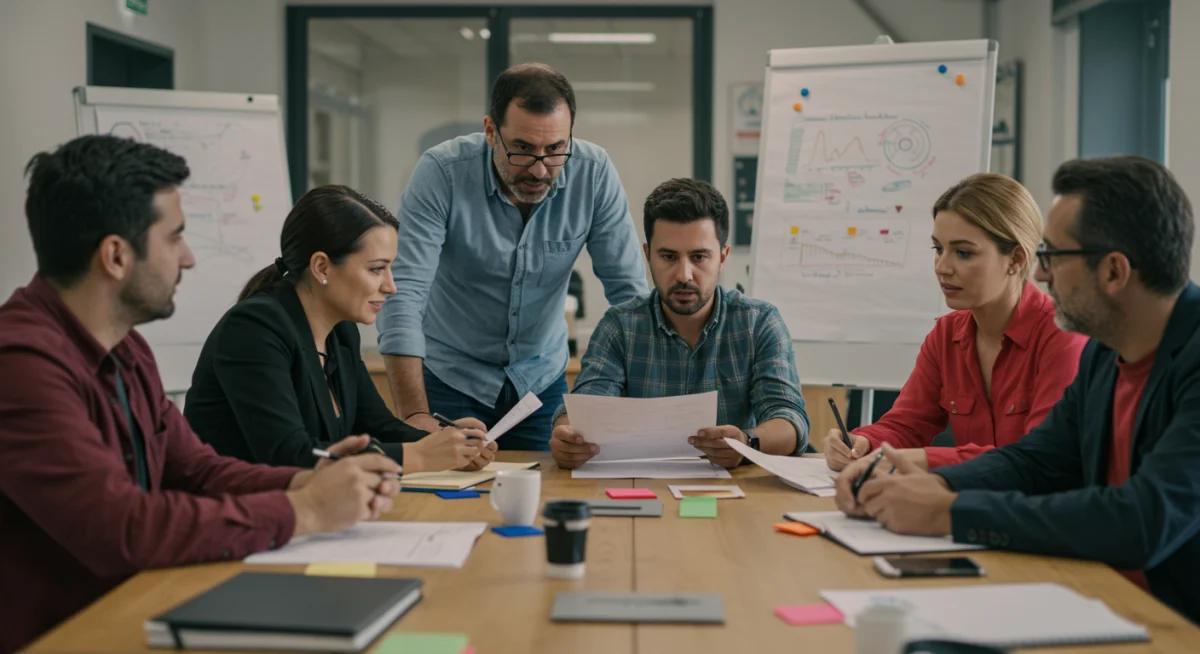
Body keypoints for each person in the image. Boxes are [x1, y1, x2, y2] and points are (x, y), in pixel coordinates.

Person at [0, 135, 402, 653]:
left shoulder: (127, 349)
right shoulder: (22, 365)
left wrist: (311, 479)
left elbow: (198, 470)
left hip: (145, 604)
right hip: (70, 634)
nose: (188, 259)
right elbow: (122, 528)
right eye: (175, 238)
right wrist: (306, 512)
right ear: (116, 256)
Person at [836, 156, 1200, 624]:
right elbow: (1037, 460)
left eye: (1052, 256)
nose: (1042, 275)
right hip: (1090, 594)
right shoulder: (1106, 355)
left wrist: (951, 511)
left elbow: (1143, 519)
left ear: (1113, 272)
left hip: (1172, 622)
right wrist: (925, 485)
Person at [378, 63, 649, 451]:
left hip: (539, 386)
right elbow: (403, 293)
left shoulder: (594, 173)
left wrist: (643, 408)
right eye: (522, 149)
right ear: (491, 131)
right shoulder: (442, 173)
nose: (539, 170)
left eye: (555, 150)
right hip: (450, 380)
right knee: (443, 499)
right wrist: (413, 416)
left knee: (541, 497)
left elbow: (629, 297)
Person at [185, 185, 494, 472]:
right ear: (322, 267)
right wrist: (420, 456)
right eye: (376, 269)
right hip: (237, 517)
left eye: (390, 269)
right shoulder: (254, 328)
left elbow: (377, 425)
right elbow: (288, 455)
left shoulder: (341, 332)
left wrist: (446, 444)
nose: (391, 286)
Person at [826, 174, 1087, 472]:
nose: (942, 267)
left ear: (1015, 259)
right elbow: (906, 426)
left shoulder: (1062, 334)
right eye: (938, 249)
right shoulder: (945, 335)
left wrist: (925, 459)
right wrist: (862, 443)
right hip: (969, 505)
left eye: (963, 253)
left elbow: (1040, 458)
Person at [550, 178, 809, 469]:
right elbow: (586, 408)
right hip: (641, 484)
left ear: (723, 257)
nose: (684, 274)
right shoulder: (619, 326)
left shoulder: (759, 323)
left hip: (734, 491)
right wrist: (566, 434)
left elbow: (789, 419)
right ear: (648, 256)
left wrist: (746, 443)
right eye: (669, 257)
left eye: (699, 257)